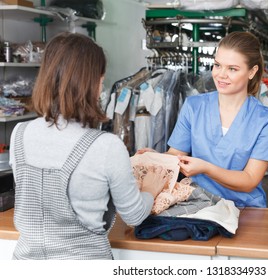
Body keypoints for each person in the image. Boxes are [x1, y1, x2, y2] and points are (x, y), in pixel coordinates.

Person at [9, 32, 167, 260]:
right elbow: (134, 215)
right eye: (101, 82)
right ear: (90, 84)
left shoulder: (19, 134)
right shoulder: (107, 146)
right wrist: (151, 188)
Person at [139, 31, 268, 208]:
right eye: (217, 65)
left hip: (246, 210)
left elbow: (250, 179)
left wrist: (206, 168)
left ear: (252, 71)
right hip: (199, 205)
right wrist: (154, 157)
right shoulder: (193, 106)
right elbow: (176, 155)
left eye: (232, 69)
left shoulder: (265, 119)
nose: (221, 75)